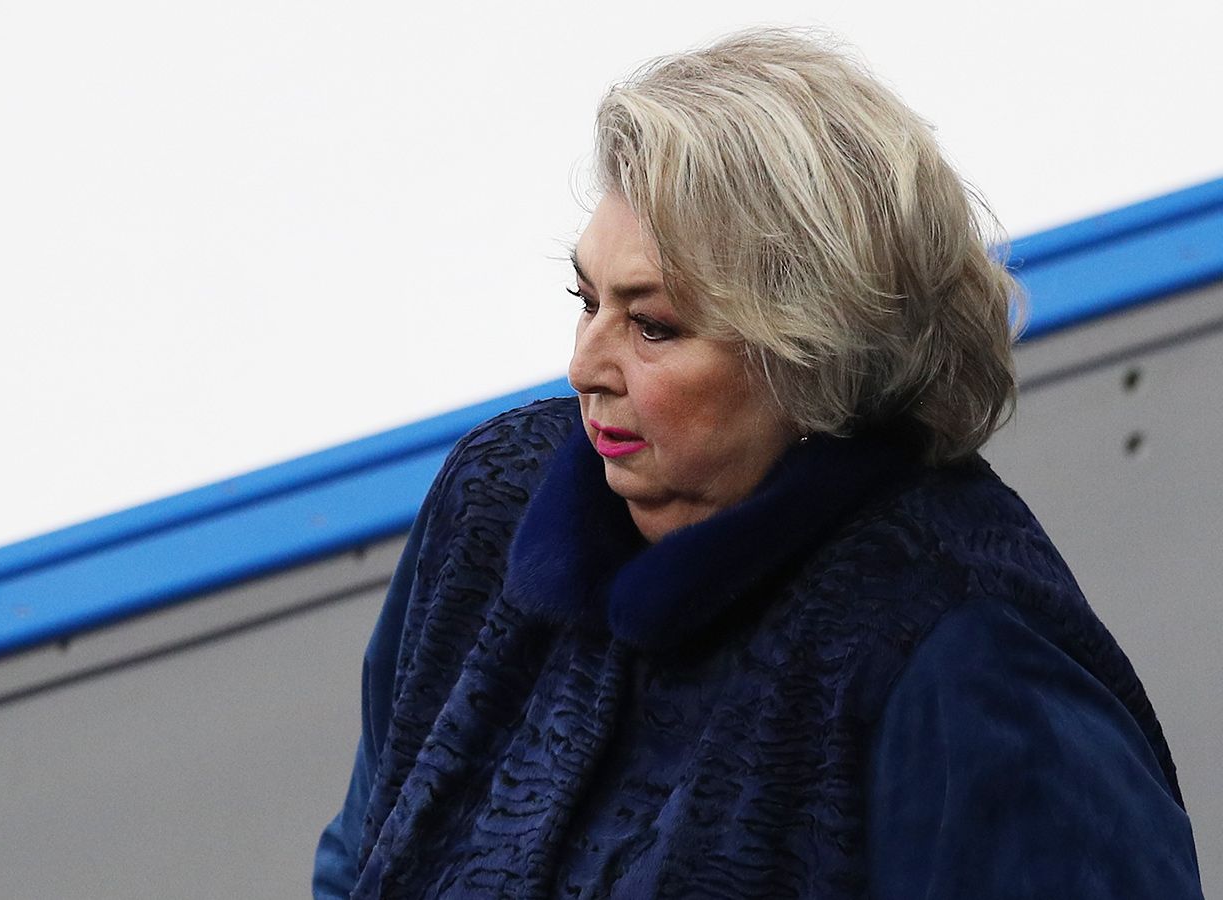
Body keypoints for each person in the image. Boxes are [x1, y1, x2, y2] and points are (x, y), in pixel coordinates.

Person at [313, 29, 1203, 899]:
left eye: (652, 326)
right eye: (586, 301)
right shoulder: (496, 500)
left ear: (813, 354)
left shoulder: (959, 649)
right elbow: (362, 857)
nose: (584, 366)